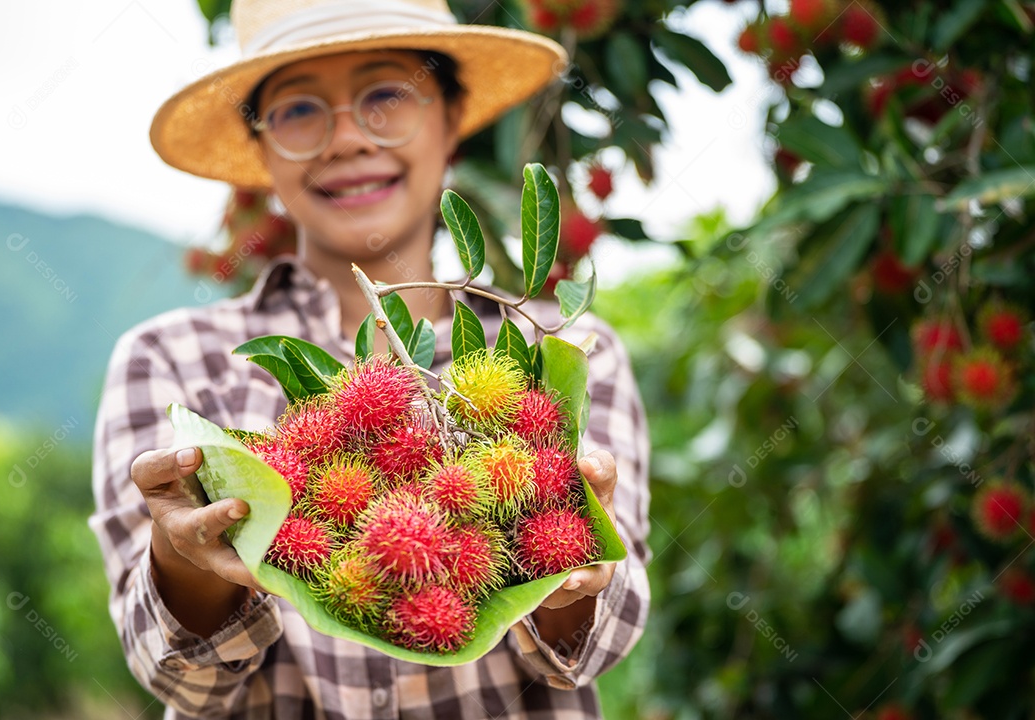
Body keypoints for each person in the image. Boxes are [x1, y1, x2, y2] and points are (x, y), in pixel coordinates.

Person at [90, 0, 651, 717]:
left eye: (386, 93)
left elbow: (594, 652)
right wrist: (183, 559)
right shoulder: (169, 359)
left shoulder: (562, 354)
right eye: (298, 109)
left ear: (452, 119)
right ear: (259, 150)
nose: (348, 138)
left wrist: (575, 569)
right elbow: (180, 680)